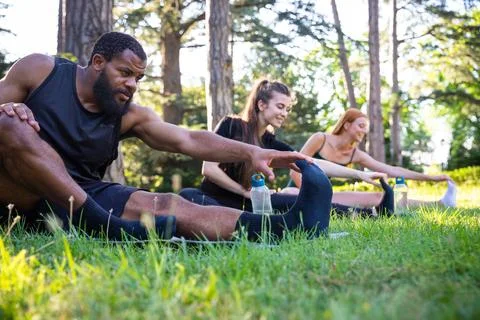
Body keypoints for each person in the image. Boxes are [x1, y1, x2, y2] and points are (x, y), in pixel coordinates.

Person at [0, 32, 332, 242]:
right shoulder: (41, 71)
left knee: (166, 203)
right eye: (125, 73)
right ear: (98, 63)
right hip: (18, 194)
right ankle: (104, 224)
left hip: (77, 199)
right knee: (9, 123)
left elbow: (187, 139)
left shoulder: (129, 113)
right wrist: (11, 107)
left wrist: (251, 153)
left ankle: (284, 228)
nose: (132, 85)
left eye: (138, 78)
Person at [179, 79, 394, 217]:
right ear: (261, 105)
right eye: (280, 107)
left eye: (287, 109)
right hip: (213, 199)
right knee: (188, 194)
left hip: (249, 204)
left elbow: (311, 162)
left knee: (293, 201)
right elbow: (209, 168)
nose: (284, 113)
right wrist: (245, 192)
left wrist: (358, 174)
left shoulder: (271, 143)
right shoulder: (231, 125)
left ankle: (370, 214)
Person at [290, 108, 457, 209]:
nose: (364, 131)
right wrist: (313, 194)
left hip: (323, 194)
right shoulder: (320, 138)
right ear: (346, 125)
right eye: (361, 126)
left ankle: (439, 204)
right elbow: (295, 170)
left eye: (366, 128)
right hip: (295, 192)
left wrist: (431, 178)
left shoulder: (355, 154)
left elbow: (392, 170)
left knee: (379, 197)